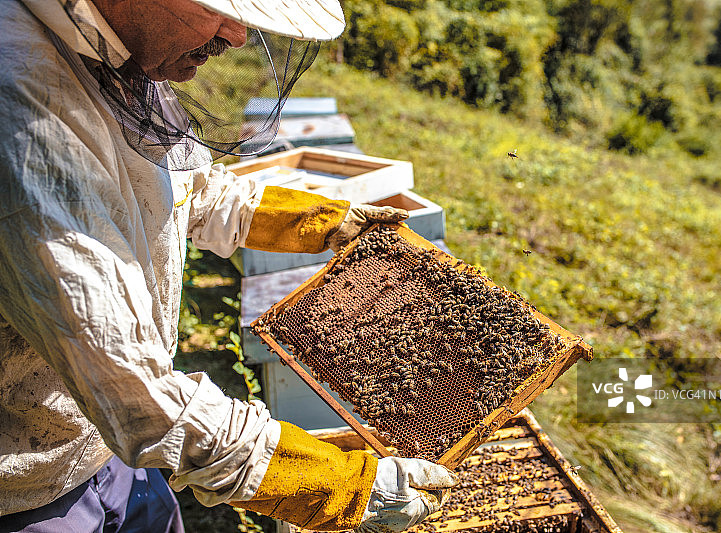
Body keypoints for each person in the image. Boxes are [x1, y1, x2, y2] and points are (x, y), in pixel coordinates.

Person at [0, 0, 458, 531]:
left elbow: (186, 187)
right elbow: (132, 388)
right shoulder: (23, 104)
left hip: (114, 451)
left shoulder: (117, 52)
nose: (237, 36)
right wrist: (338, 484)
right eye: (218, 6)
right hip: (29, 487)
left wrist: (325, 221)